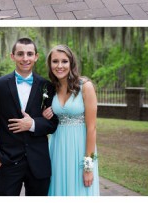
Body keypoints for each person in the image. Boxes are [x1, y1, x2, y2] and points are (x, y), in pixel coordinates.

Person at [0, 37, 60, 195]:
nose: (25, 58)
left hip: (39, 164)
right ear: (12, 56)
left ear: (36, 57)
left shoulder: (47, 86)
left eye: (29, 54)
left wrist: (33, 124)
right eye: (20, 54)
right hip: (8, 163)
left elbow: (53, 124)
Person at [42, 44, 99, 196]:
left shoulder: (85, 86)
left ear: (71, 63)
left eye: (64, 61)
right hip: (57, 147)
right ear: (50, 64)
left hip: (79, 147)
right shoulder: (51, 89)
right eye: (55, 61)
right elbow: (50, 120)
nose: (59, 66)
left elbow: (92, 128)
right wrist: (46, 115)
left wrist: (88, 166)